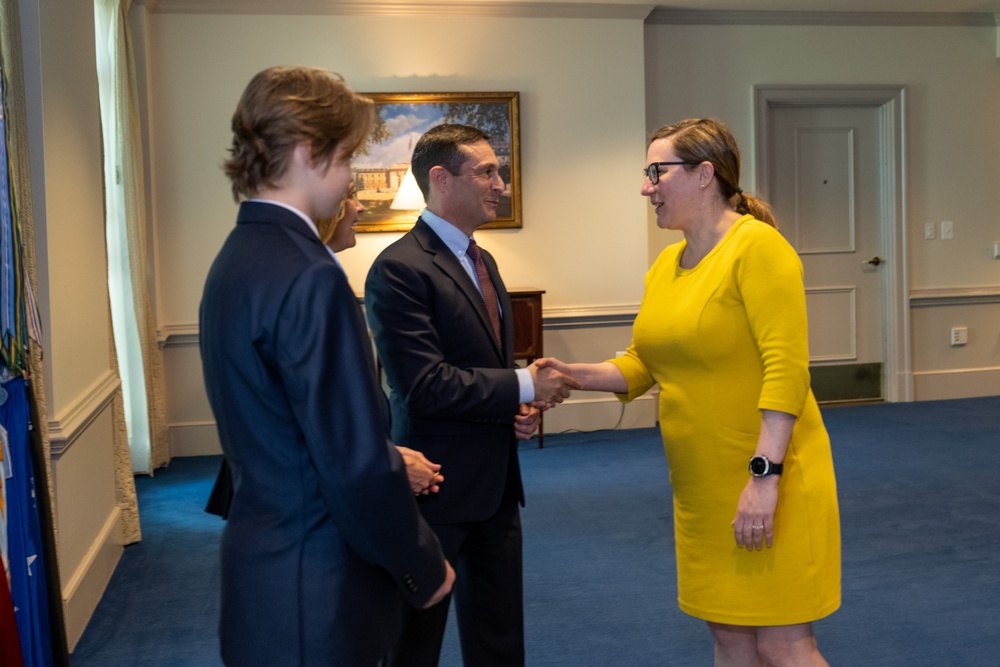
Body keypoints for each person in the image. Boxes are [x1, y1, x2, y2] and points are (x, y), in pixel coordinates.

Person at [538, 118, 841, 666]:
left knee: (783, 644)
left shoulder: (758, 249)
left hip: (768, 476)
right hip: (701, 486)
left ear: (705, 175)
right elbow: (642, 364)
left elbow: (787, 370)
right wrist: (569, 373)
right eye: (646, 172)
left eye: (658, 171)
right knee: (729, 639)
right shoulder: (665, 265)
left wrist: (763, 478)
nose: (645, 186)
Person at [199, 66, 454, 666]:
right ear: (311, 153)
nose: (350, 182)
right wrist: (422, 564)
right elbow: (353, 462)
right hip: (317, 586)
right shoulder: (311, 274)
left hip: (258, 569)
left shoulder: (235, 259)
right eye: (347, 160)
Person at [364, 123, 581, 667]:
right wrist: (526, 384)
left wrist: (518, 408)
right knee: (415, 647)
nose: (500, 184)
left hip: (497, 488)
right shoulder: (398, 268)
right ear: (441, 179)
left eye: (498, 171)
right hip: (433, 490)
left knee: (500, 640)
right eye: (486, 171)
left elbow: (485, 367)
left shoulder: (485, 261)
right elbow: (424, 386)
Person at [204, 183, 442, 519]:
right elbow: (316, 424)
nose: (360, 208)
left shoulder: (248, 258)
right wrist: (390, 464)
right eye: (350, 195)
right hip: (304, 516)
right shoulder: (313, 280)